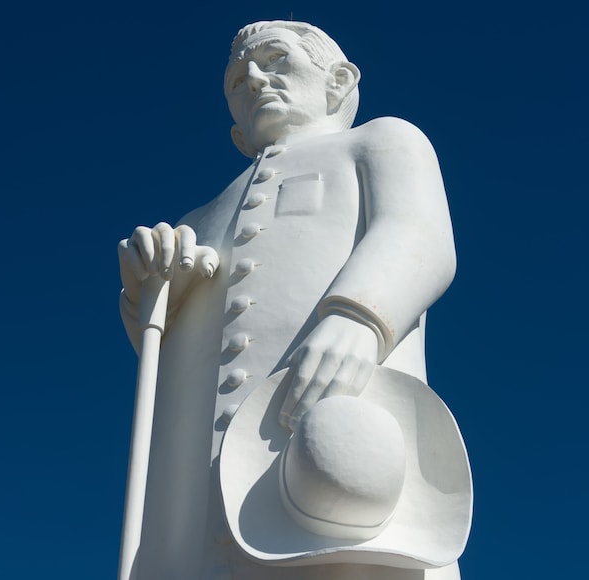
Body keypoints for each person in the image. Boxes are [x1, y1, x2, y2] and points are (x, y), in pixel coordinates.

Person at [118, 21, 465, 579]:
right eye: (235, 80)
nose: (254, 79)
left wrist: (358, 316)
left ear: (339, 80)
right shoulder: (196, 221)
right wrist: (150, 292)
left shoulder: (381, 140)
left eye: (275, 59)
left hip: (332, 453)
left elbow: (417, 233)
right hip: (198, 509)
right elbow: (163, 360)